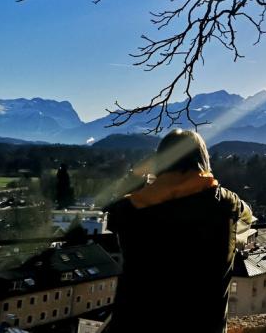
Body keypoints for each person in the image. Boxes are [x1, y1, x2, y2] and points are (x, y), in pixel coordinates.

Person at [106, 129, 253, 333]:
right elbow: (247, 219)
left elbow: (115, 221)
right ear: (203, 160)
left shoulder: (129, 210)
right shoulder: (225, 204)